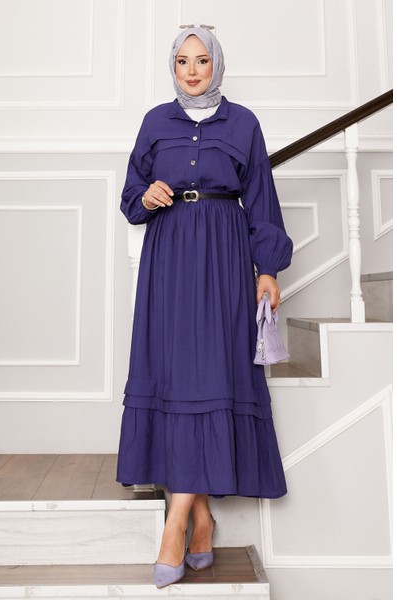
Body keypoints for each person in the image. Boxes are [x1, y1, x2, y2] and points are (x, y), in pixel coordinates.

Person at [116, 26, 293, 588]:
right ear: (173, 67)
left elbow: (261, 199)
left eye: (201, 61)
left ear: (216, 64)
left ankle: (176, 525)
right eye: (182, 62)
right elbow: (130, 197)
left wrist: (267, 269)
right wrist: (146, 196)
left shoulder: (244, 124)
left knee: (210, 377)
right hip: (168, 257)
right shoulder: (154, 122)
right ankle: (200, 520)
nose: (192, 71)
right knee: (173, 380)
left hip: (223, 260)